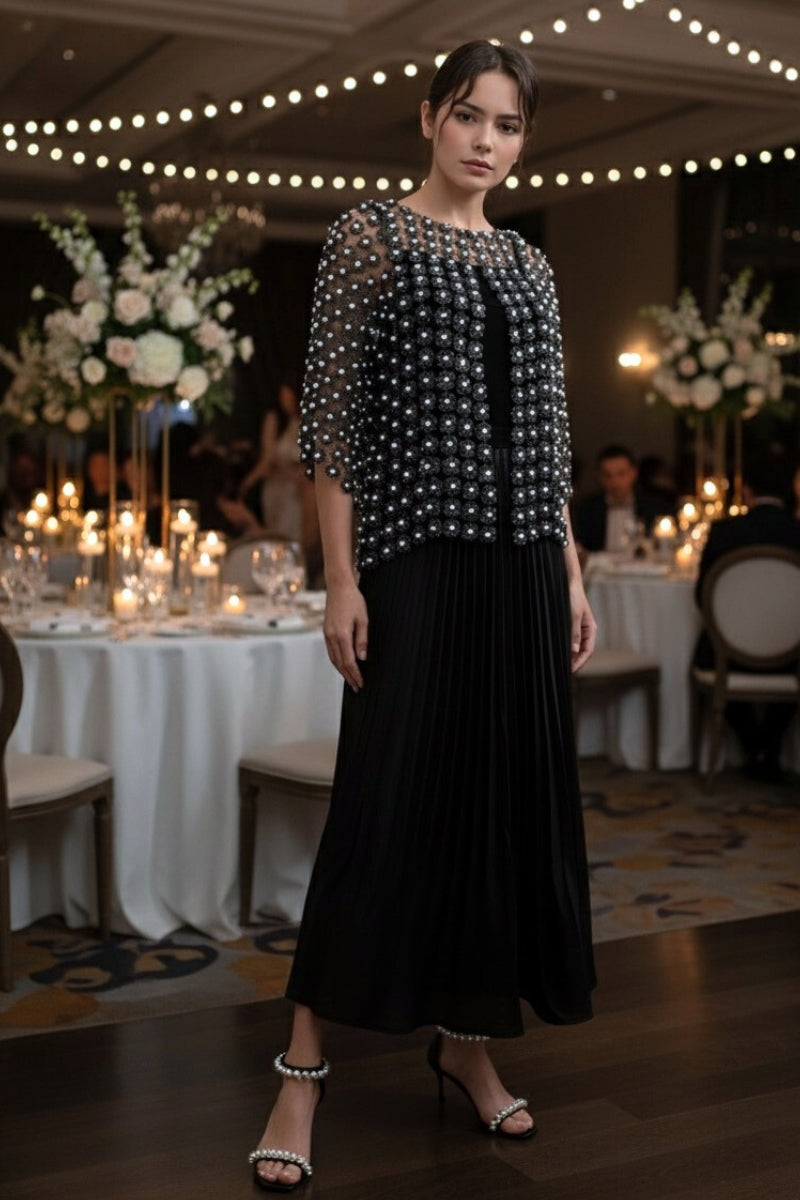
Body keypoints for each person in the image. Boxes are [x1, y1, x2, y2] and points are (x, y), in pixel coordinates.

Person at [249, 41, 597, 1192]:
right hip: (413, 560)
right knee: (382, 801)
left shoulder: (527, 263)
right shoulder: (370, 238)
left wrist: (570, 573)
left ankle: (467, 1045)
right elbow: (332, 428)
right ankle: (301, 1070)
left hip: (519, 568)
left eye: (507, 124)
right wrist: (340, 581)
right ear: (427, 119)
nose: (485, 141)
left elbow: (545, 435)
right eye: (467, 116)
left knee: (498, 807)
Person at [694, 453, 800, 781]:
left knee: (702, 655)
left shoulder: (724, 532)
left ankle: (754, 745)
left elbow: (701, 597)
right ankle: (768, 746)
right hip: (792, 656)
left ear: (746, 490)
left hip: (727, 655)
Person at [237, 377, 307, 541]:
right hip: (275, 488)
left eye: (289, 396)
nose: (285, 400)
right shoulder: (277, 422)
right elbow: (267, 460)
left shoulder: (310, 424)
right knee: (273, 534)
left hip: (297, 492)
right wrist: (247, 483)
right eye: (283, 396)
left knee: (292, 535)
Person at [573, 443, 667, 553]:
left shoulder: (654, 506)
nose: (614, 482)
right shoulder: (587, 508)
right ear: (599, 476)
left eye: (621, 474)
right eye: (607, 475)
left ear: (634, 473)